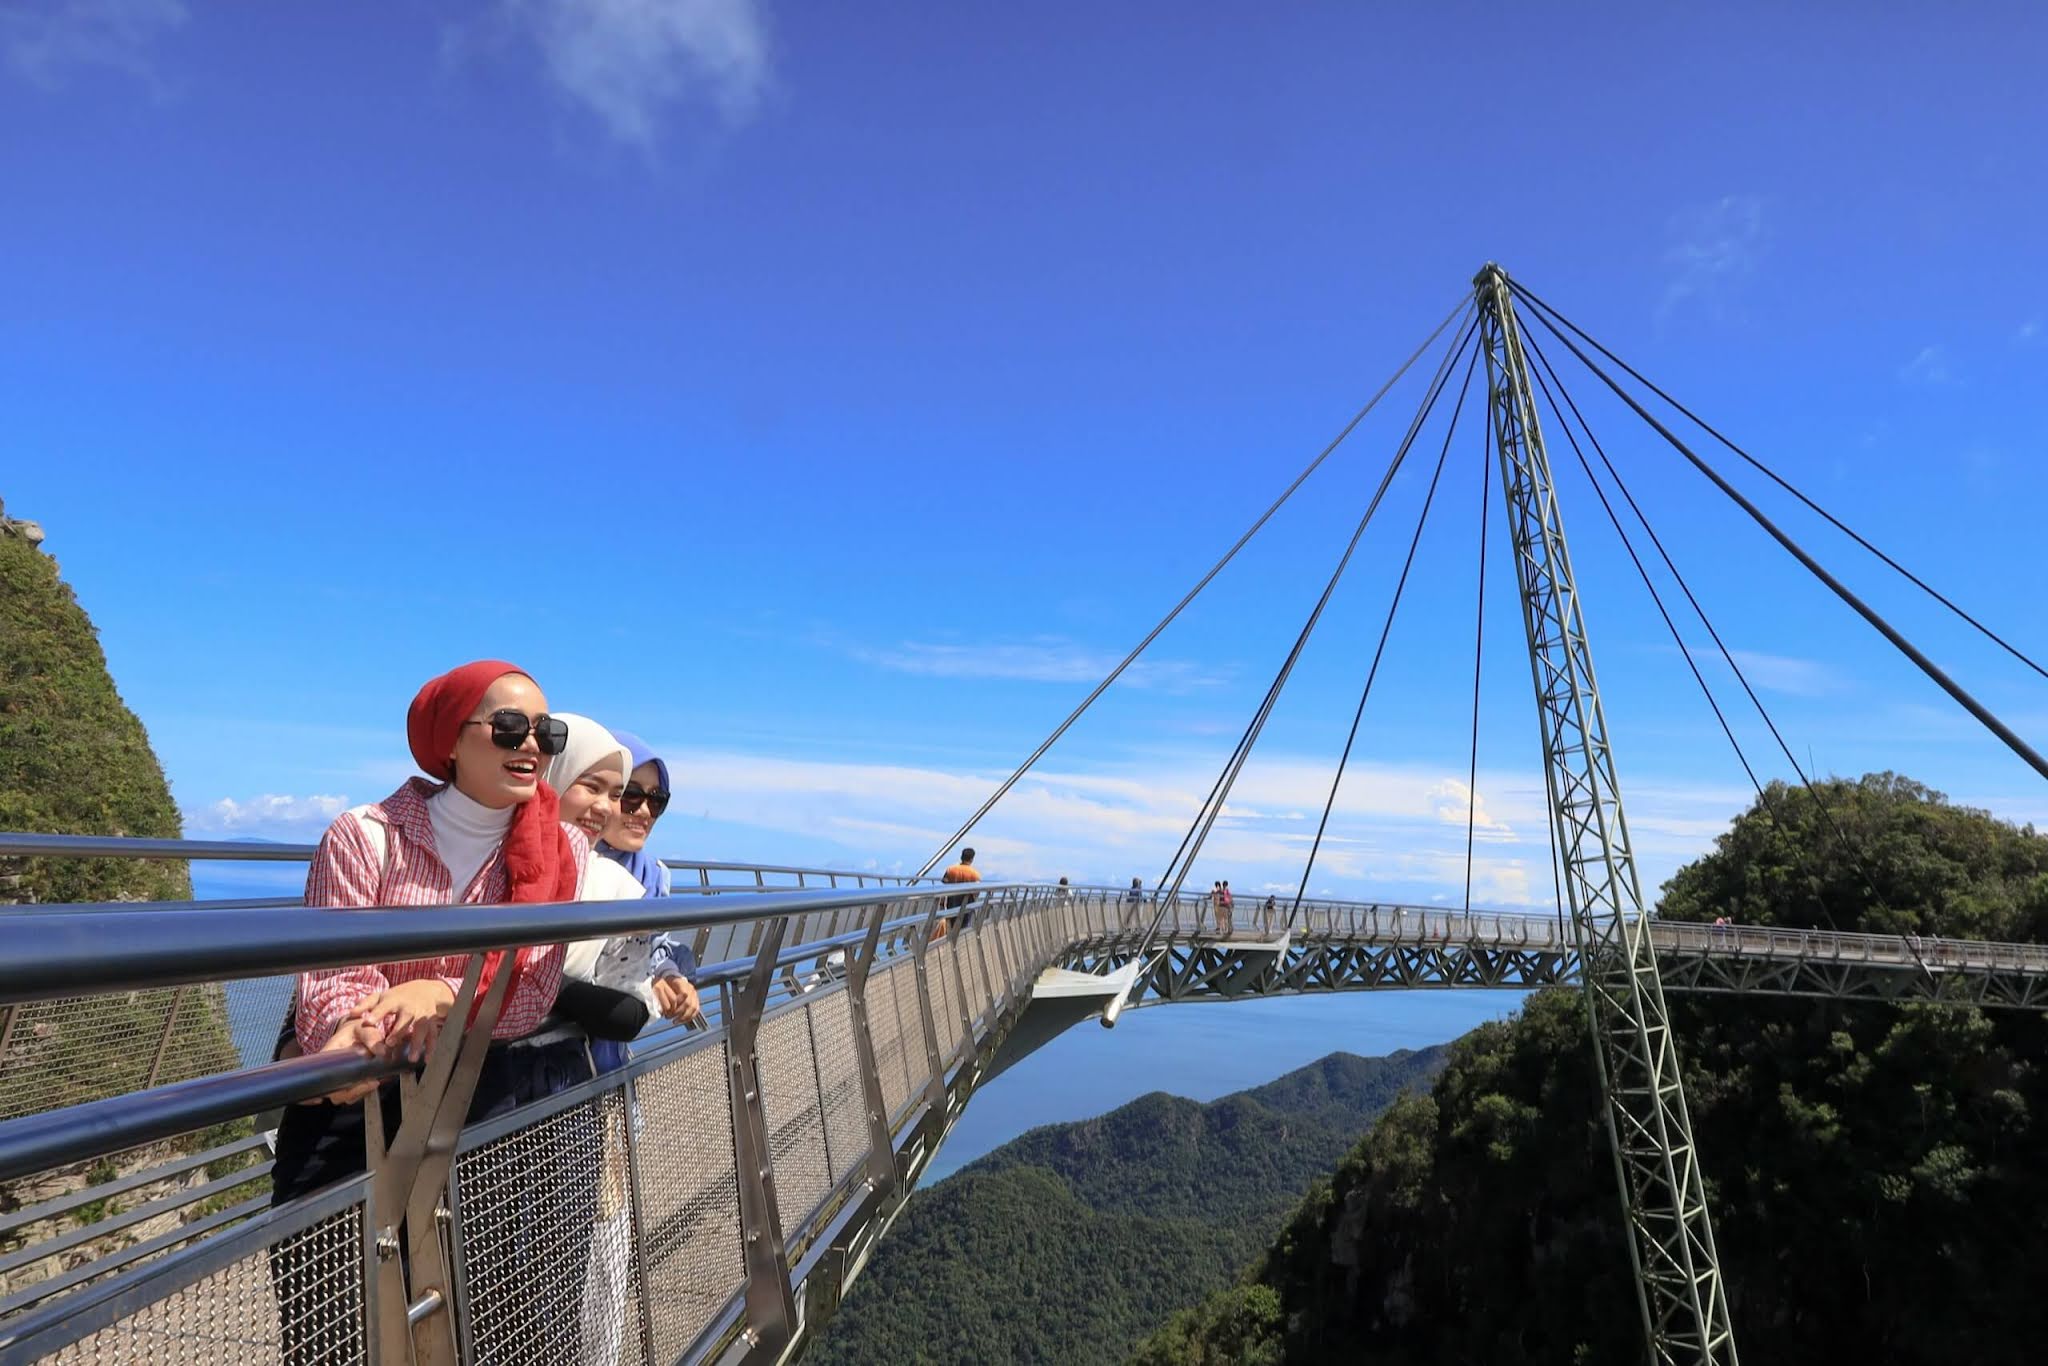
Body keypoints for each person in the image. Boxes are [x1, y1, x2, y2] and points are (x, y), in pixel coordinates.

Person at [268, 661, 598, 1363]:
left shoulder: (560, 850)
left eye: (547, 730)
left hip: (476, 1111)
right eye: (509, 725)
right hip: (350, 1110)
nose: (532, 744)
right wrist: (376, 1030)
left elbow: (532, 992)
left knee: (477, 1330)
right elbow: (331, 987)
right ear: (450, 737)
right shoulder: (364, 835)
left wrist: (436, 994)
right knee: (332, 1329)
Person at [599, 729, 701, 1026]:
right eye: (630, 795)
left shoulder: (653, 876)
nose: (644, 811)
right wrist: (643, 983)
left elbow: (654, 946)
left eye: (657, 800)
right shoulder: (565, 867)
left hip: (611, 1049)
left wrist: (669, 975)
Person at [937, 846, 981, 934]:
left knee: (950, 923)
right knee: (963, 926)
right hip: (967, 903)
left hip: (952, 901)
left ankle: (950, 943)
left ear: (961, 857)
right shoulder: (975, 873)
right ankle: (958, 944)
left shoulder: (951, 869)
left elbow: (944, 882)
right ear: (972, 859)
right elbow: (977, 891)